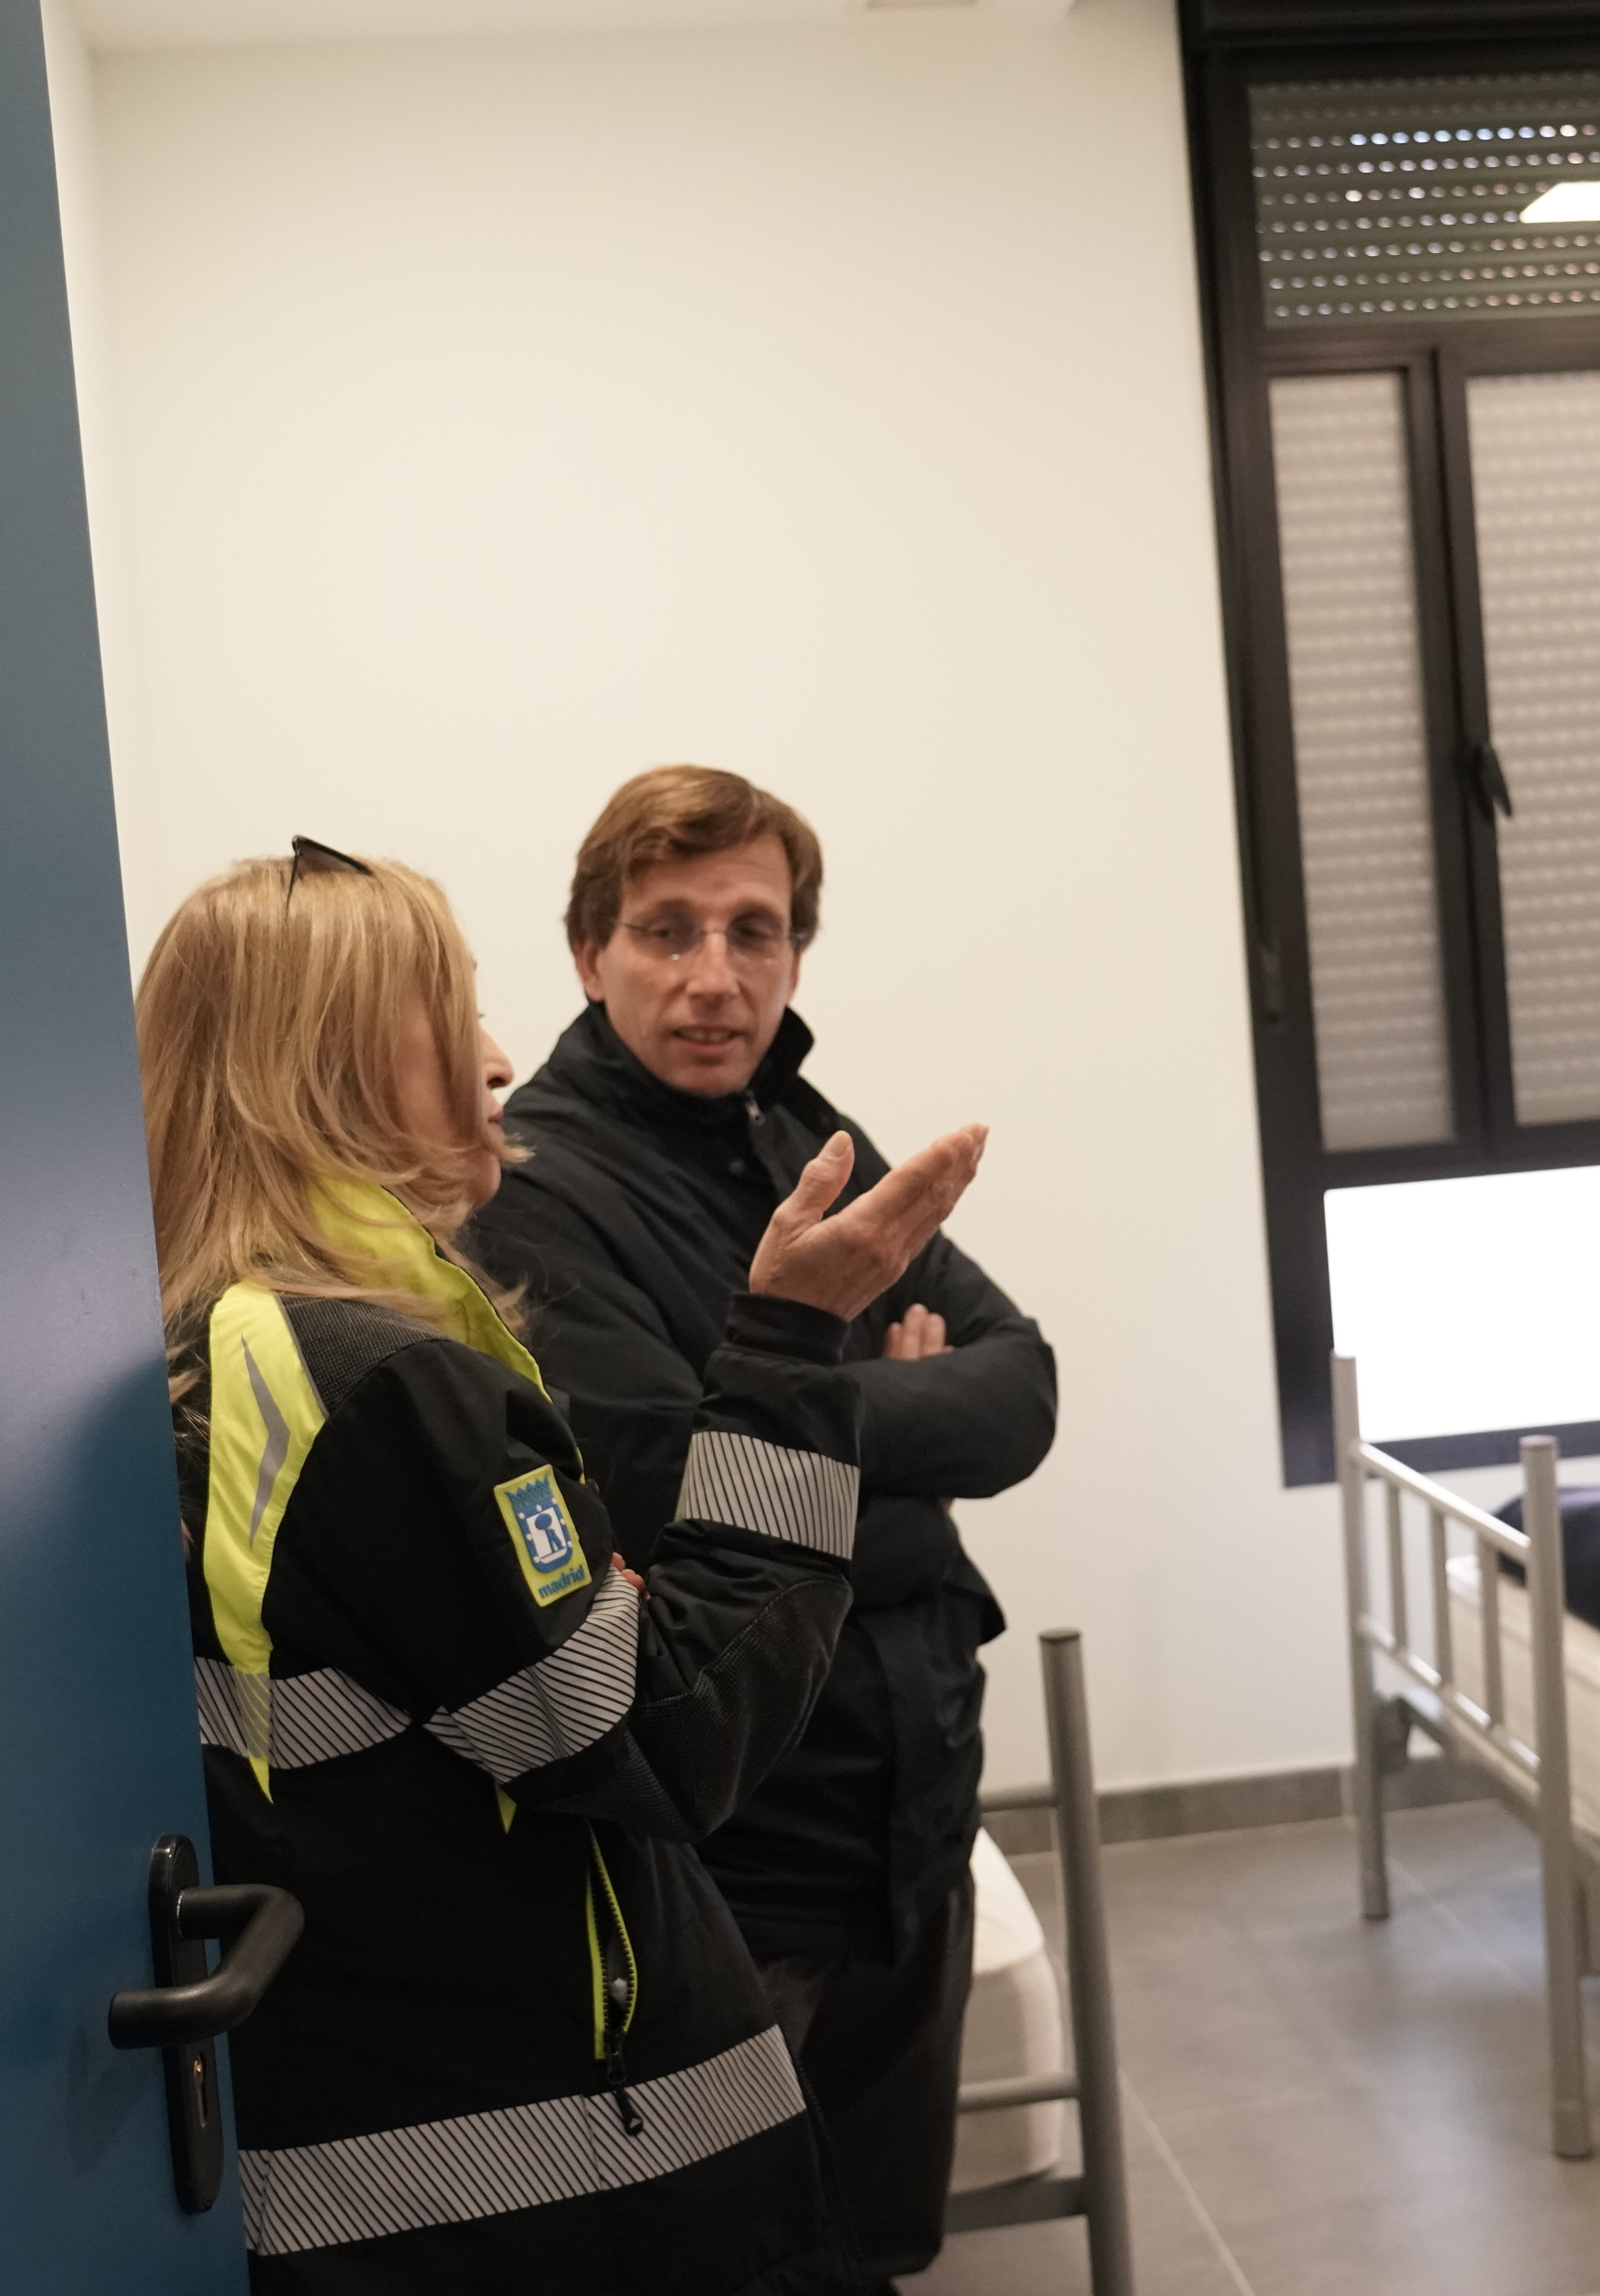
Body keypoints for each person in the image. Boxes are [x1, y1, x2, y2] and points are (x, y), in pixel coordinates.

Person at [134, 836, 989, 2293]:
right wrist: (793, 1352)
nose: (496, 1057)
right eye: (449, 1013)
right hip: (551, 2184)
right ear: (324, 1064)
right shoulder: (384, 1383)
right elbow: (669, 1733)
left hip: (390, 2128)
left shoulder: (212, 1347)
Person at [464, 767, 1057, 2290]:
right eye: (668, 930)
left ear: (797, 950)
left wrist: (795, 1418)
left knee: (874, 2244)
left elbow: (1021, 1392)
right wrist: (877, 1411)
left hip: (912, 1806)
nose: (717, 976)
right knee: (737, 2257)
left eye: (756, 930)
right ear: (590, 953)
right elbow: (662, 1474)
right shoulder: (535, 1184)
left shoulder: (803, 1128)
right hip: (742, 1836)